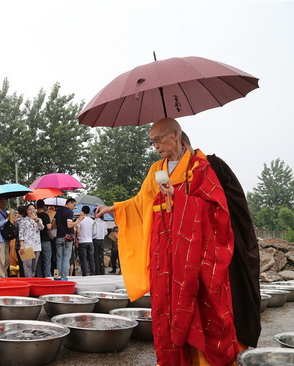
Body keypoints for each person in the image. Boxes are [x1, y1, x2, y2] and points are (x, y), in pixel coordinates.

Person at [96, 118, 240, 365]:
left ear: (175, 134)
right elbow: (142, 202)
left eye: (159, 139)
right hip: (163, 250)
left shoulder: (199, 168)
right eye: (152, 141)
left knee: (203, 305)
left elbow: (217, 210)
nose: (155, 145)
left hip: (193, 254)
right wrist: (113, 208)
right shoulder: (157, 169)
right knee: (165, 306)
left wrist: (180, 198)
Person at [181, 131, 261, 349]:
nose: (156, 146)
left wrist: (185, 201)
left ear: (181, 141)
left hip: (224, 244)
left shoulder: (213, 165)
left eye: (159, 140)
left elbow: (229, 205)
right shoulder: (171, 175)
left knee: (226, 299)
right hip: (192, 250)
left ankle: (231, 350)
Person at [54, 198, 84, 278]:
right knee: (66, 258)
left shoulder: (57, 211)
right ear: (69, 203)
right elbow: (69, 225)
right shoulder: (69, 212)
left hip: (59, 236)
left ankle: (58, 277)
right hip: (67, 238)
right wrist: (79, 220)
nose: (74, 207)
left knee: (59, 258)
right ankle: (64, 277)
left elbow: (53, 224)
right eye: (74, 205)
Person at [18, 203, 44, 277]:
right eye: (29, 210)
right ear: (26, 211)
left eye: (33, 210)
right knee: (27, 265)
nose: (31, 211)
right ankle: (29, 280)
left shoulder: (39, 220)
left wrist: (36, 220)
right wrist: (22, 245)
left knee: (34, 266)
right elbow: (21, 233)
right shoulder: (23, 220)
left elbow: (41, 227)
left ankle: (32, 278)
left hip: (37, 245)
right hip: (27, 245)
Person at [75, 205, 95, 276]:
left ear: (82, 211)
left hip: (82, 241)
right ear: (89, 212)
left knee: (83, 258)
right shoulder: (92, 221)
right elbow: (94, 231)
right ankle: (92, 272)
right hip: (90, 241)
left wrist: (77, 239)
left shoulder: (80, 220)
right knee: (91, 258)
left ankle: (85, 273)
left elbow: (77, 230)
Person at [35, 199, 53, 277]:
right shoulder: (46, 215)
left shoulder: (34, 216)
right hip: (45, 240)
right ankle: (48, 276)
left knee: (38, 261)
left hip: (36, 241)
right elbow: (49, 227)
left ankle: (39, 277)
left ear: (36, 206)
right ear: (44, 206)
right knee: (47, 261)